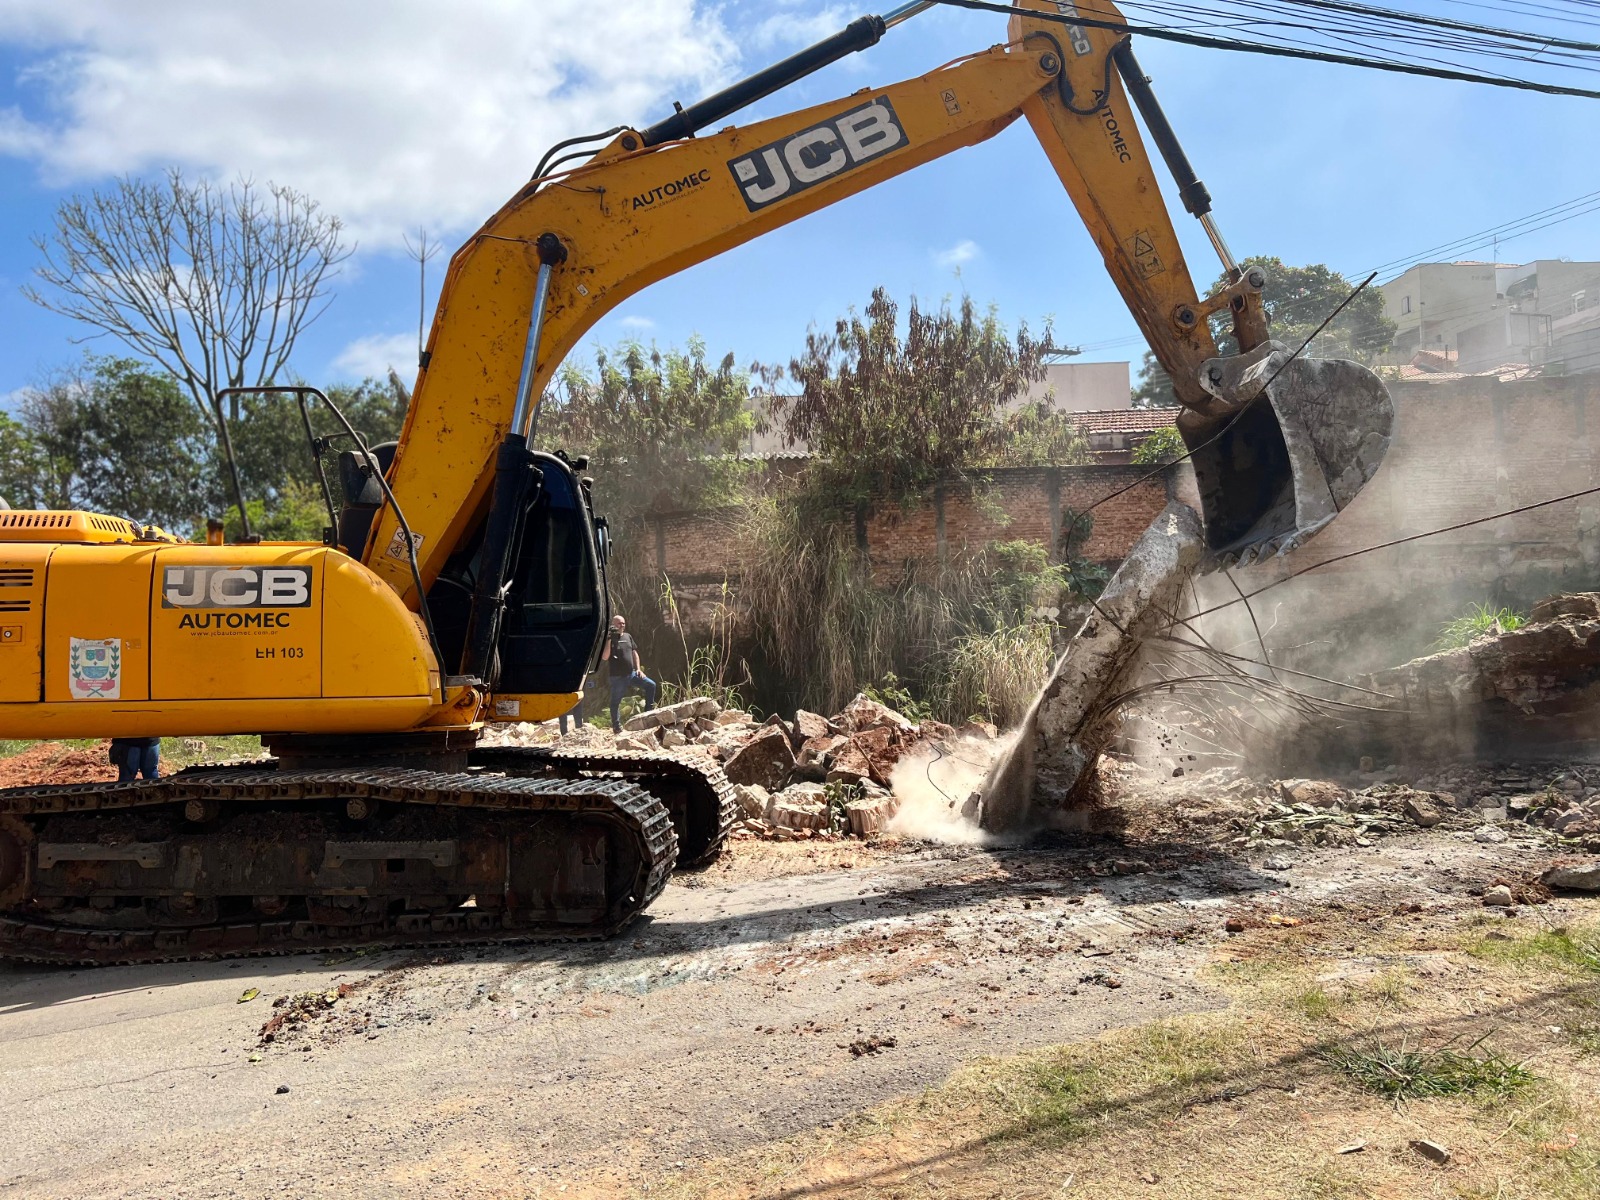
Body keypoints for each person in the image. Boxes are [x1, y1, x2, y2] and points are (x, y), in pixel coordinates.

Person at [601, 614, 656, 734]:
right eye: (619, 623)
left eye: (623, 623)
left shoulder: (628, 636)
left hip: (631, 674)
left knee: (651, 685)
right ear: (613, 625)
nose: (622, 626)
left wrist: (638, 669)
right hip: (617, 677)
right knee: (615, 702)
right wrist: (609, 639)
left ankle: (648, 714)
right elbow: (605, 657)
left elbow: (634, 653)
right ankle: (616, 726)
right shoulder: (609, 639)